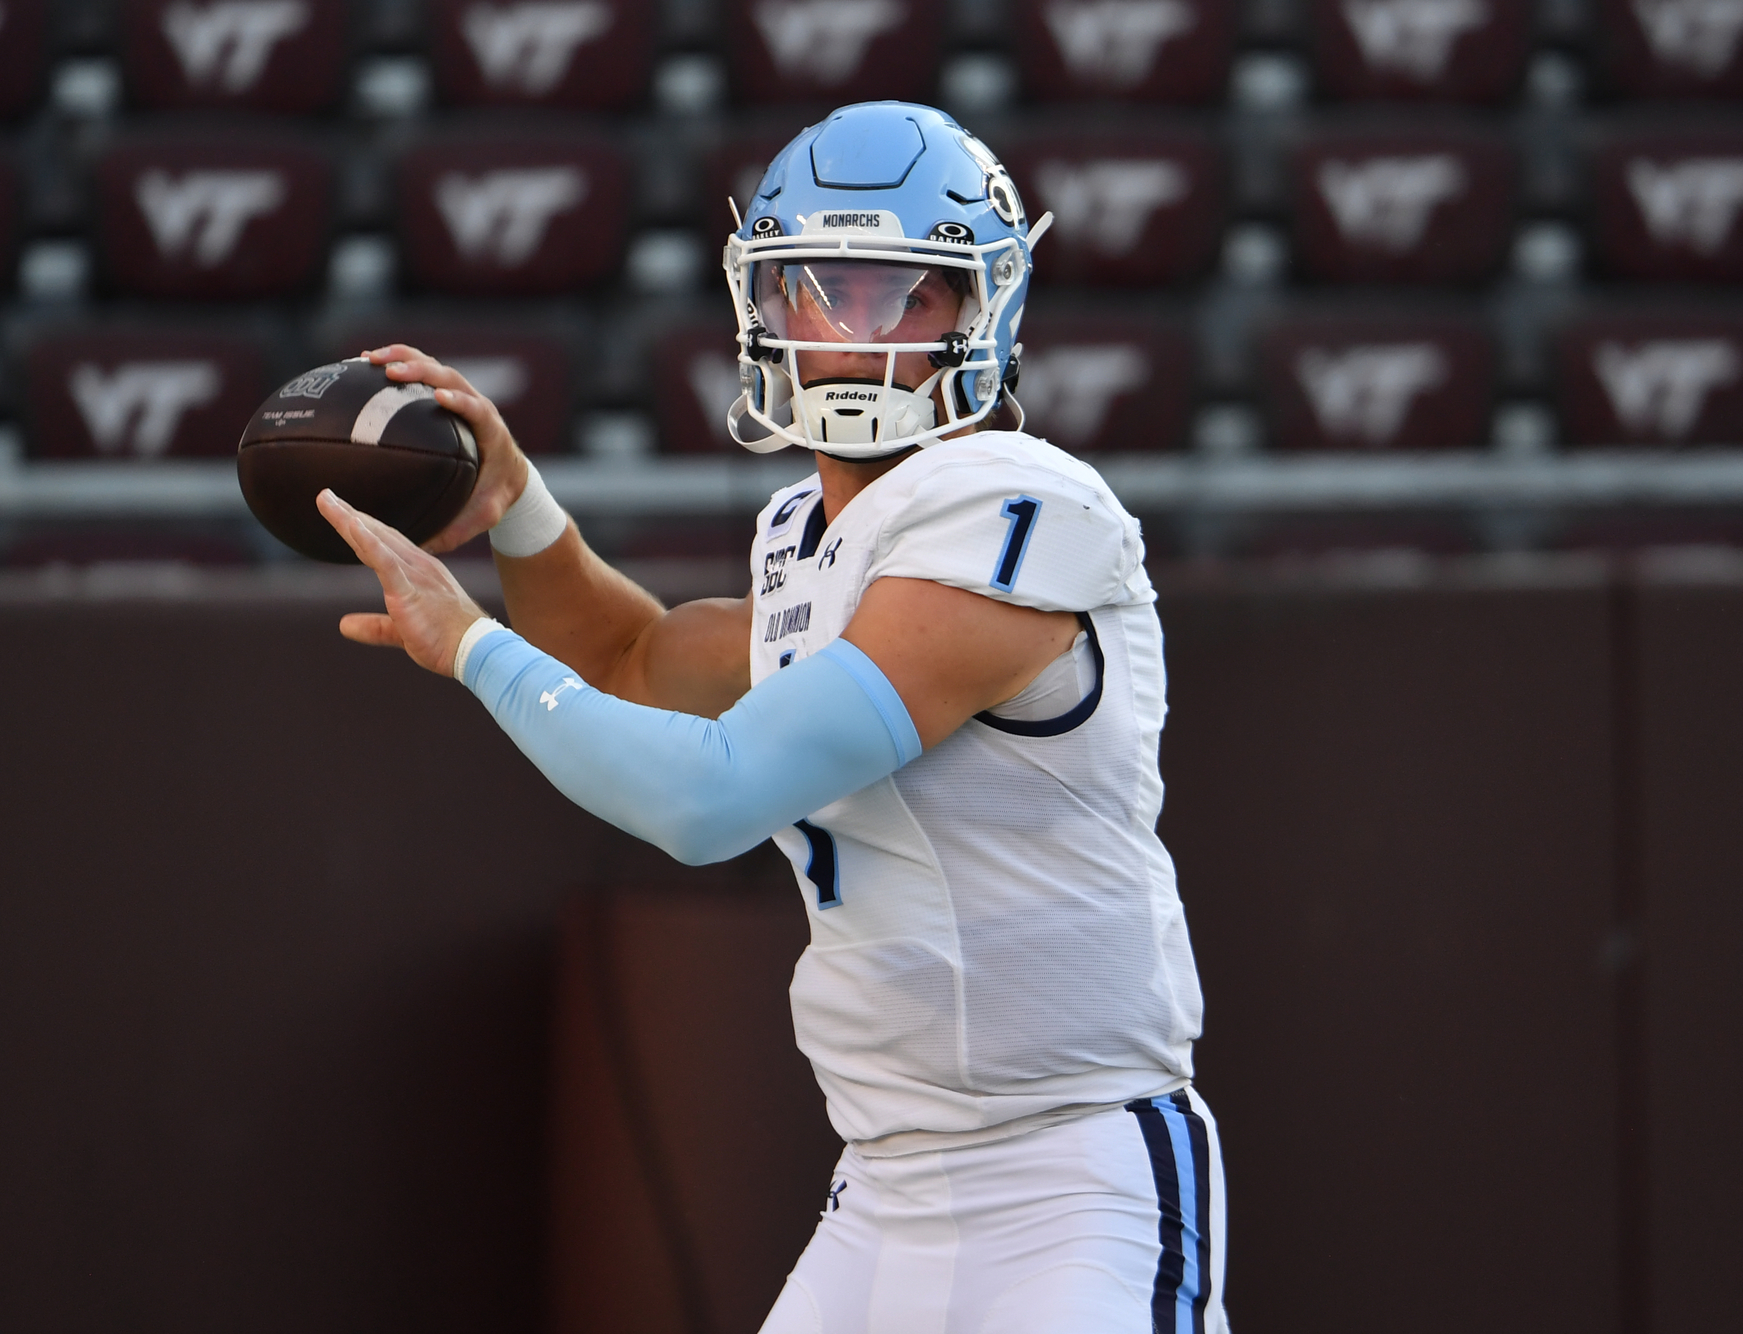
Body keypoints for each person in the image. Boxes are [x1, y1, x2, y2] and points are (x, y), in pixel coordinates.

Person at [316, 102, 1227, 1334]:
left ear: (984, 308)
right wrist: (519, 506)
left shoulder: (1014, 506)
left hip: (1067, 1179)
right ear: (762, 304)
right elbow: (632, 654)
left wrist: (471, 644)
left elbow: (708, 794)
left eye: (903, 295)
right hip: (882, 1186)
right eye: (820, 288)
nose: (854, 336)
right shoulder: (809, 535)